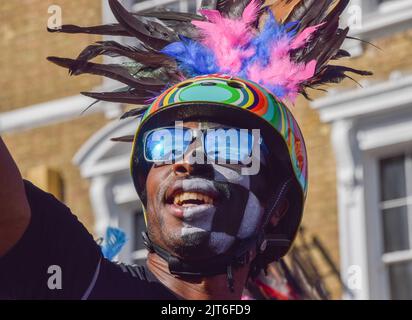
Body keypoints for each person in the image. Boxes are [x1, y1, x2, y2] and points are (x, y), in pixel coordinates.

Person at [0, 0, 370, 300]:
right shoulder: (80, 281)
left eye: (227, 146)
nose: (188, 161)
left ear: (279, 208)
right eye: (166, 145)